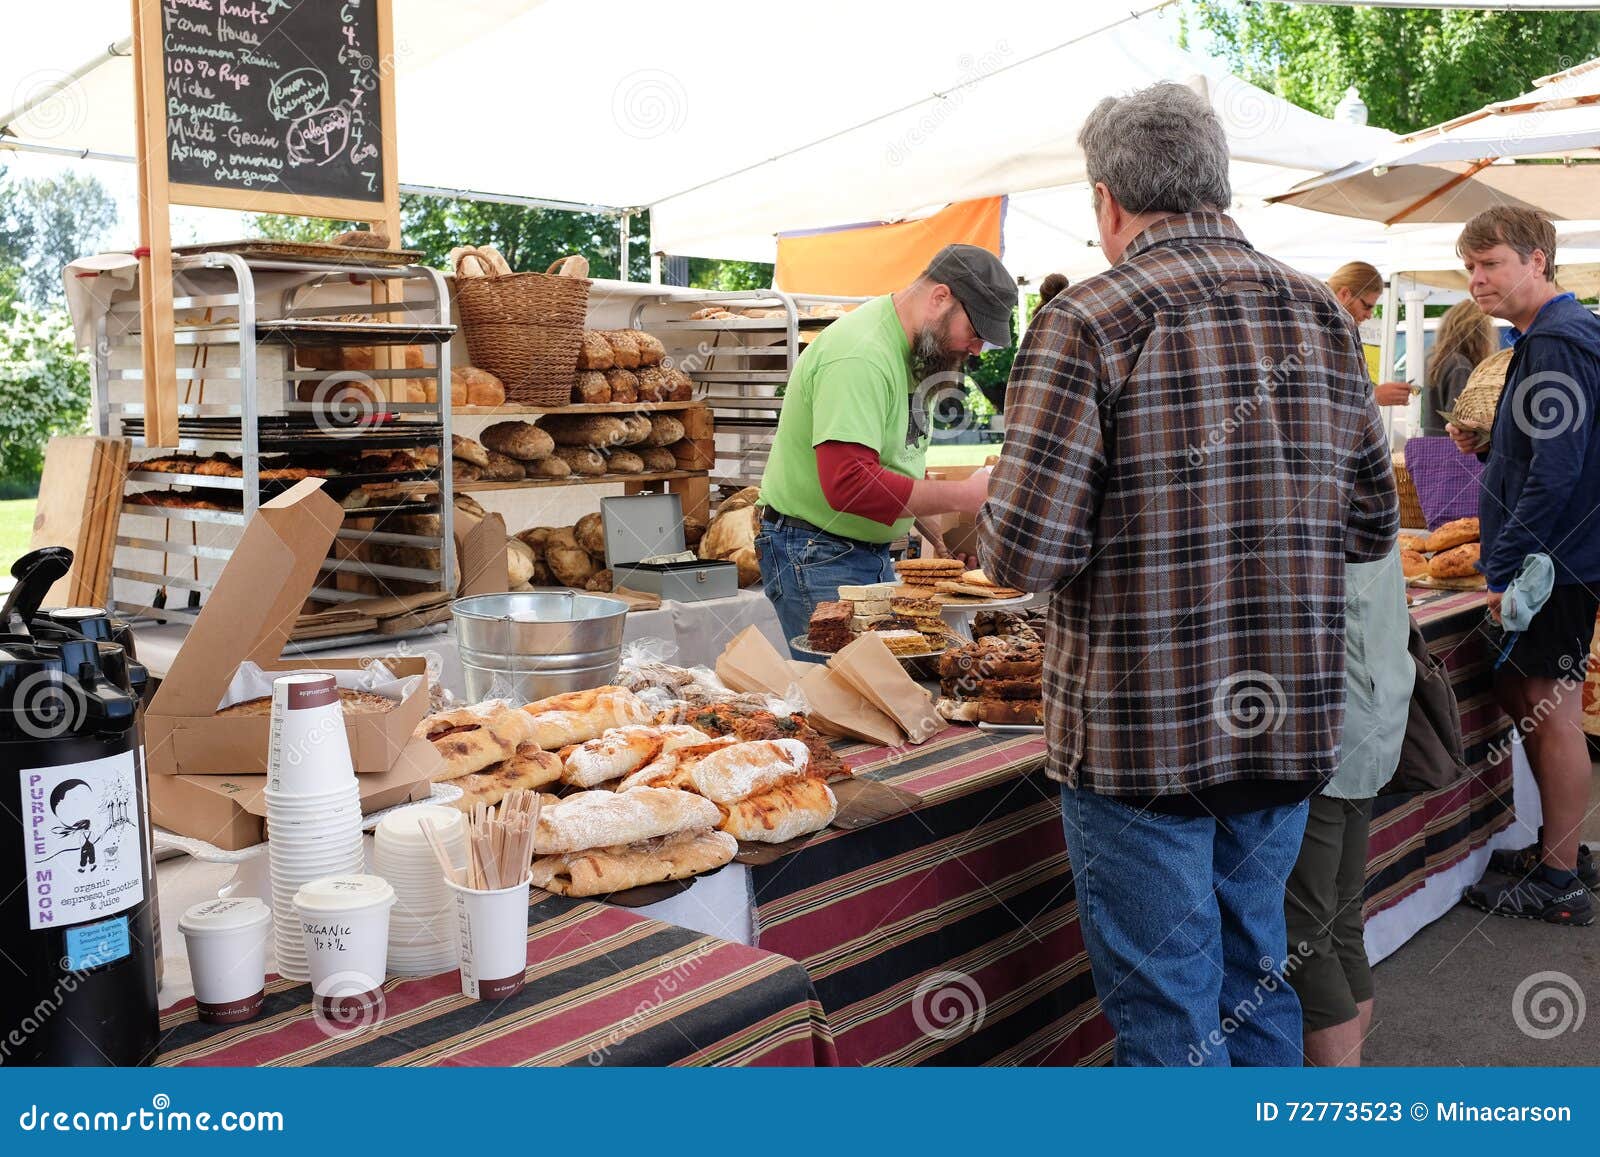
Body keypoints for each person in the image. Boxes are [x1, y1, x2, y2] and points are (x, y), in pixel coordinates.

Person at [978, 82, 1397, 1067]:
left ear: (1106, 201)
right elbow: (1371, 526)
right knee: (1257, 988)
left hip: (1141, 745)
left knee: (1170, 1025)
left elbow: (1023, 556)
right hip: (1284, 730)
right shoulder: (1321, 315)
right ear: (1216, 180)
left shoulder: (1088, 320)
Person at [1444, 207, 1600, 925]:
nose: (1478, 279)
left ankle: (1561, 877)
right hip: (1563, 552)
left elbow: (1558, 470)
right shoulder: (1558, 338)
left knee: (1552, 708)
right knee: (1529, 695)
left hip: (1554, 561)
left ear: (1538, 261)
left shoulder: (1558, 342)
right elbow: (1553, 452)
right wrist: (1492, 450)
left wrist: (1504, 562)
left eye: (1492, 262)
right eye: (1470, 266)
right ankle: (1559, 846)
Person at [755, 245, 1012, 650]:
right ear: (940, 298)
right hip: (818, 553)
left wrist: (944, 541)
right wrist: (965, 494)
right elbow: (851, 485)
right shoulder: (861, 356)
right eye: (976, 332)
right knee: (844, 704)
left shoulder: (914, 352)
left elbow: (897, 465)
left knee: (872, 695)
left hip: (852, 552)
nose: (978, 349)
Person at [1283, 549, 1413, 1066]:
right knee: (1338, 921)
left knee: (1303, 932)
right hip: (1368, 714)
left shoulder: (1311, 493)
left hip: (1330, 726)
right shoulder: (1362, 483)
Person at [1327, 261, 1414, 408]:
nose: (1369, 315)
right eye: (1366, 306)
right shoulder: (1319, 331)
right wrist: (1375, 396)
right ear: (1344, 294)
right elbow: (1319, 399)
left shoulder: (1336, 331)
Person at [1421, 299, 1496, 437]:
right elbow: (1461, 423)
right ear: (1478, 334)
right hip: (1453, 450)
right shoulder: (1459, 365)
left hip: (1432, 446)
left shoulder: (1432, 358)